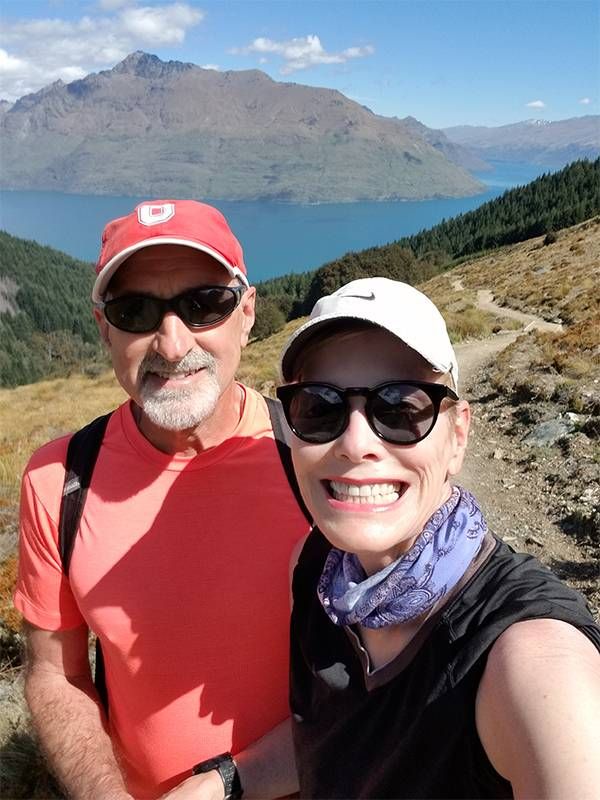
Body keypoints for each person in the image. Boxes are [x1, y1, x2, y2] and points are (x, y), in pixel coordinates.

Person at [14, 200, 310, 800]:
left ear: (246, 314)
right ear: (105, 329)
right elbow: (56, 671)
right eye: (136, 311)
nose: (171, 344)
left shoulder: (312, 458)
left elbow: (393, 672)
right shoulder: (59, 479)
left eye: (204, 305)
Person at [275, 277, 600, 799]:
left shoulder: (527, 661)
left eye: (402, 408)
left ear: (458, 435)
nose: (357, 444)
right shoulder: (316, 572)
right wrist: (224, 780)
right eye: (320, 407)